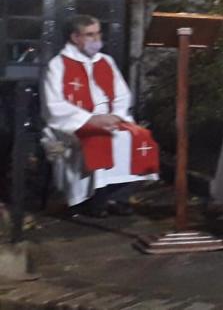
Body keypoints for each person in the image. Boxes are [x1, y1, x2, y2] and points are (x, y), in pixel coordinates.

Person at [42, 15, 159, 217]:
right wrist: (90, 119)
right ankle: (93, 200)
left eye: (98, 33)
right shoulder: (57, 65)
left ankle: (118, 196)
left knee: (140, 137)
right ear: (75, 37)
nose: (96, 39)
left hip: (110, 118)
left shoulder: (106, 61)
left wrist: (115, 116)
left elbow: (122, 95)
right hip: (74, 122)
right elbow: (54, 104)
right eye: (89, 35)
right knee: (98, 140)